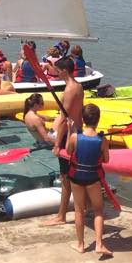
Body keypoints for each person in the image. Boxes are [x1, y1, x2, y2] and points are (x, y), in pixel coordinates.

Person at [66, 103, 113, 257]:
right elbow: (106, 160)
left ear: (83, 119)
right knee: (98, 210)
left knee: (79, 211)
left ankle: (80, 245)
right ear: (98, 120)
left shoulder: (75, 137)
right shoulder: (102, 140)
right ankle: (99, 244)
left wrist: (69, 131)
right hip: (93, 178)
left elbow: (68, 151)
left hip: (76, 177)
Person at [43, 57, 84, 227]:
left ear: (65, 71)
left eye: (58, 71)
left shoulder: (69, 90)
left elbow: (64, 120)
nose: (57, 73)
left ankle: (61, 216)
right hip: (78, 133)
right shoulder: (79, 86)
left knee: (66, 178)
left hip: (68, 136)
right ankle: (82, 208)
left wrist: (57, 143)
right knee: (74, 176)